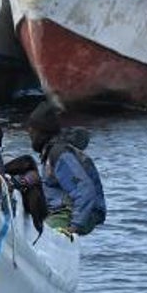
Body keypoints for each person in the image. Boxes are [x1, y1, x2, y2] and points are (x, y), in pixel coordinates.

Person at [23, 100, 106, 236]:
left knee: (40, 235)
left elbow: (84, 189)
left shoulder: (59, 154)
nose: (30, 135)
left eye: (32, 131)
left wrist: (74, 227)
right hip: (58, 210)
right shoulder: (49, 153)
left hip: (71, 213)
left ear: (42, 131)